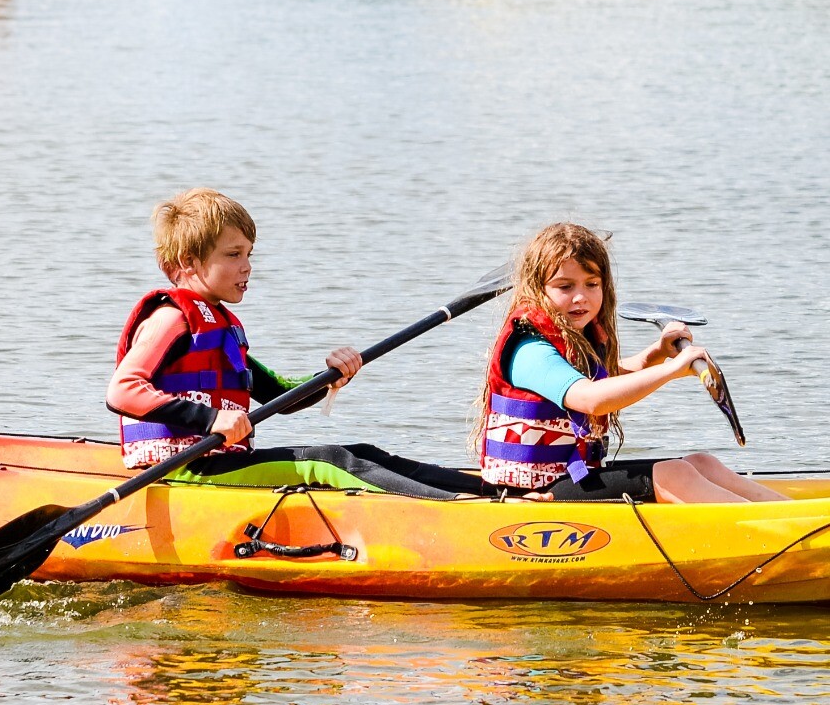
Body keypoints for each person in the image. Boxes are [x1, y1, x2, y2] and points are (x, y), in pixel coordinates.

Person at [107, 188, 484, 500]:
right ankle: (460, 510)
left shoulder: (218, 326)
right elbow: (122, 392)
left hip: (219, 461)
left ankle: (492, 490)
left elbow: (280, 395)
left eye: (249, 254)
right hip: (183, 468)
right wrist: (211, 419)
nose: (247, 266)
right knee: (327, 460)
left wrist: (330, 378)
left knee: (361, 453)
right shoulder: (171, 317)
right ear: (189, 262)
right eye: (233, 255)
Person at [475, 222, 786, 503]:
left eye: (591, 284)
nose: (581, 297)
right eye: (565, 287)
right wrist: (670, 370)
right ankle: (779, 535)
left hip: (572, 475)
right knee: (675, 474)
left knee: (703, 463)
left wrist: (657, 354)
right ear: (537, 289)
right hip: (532, 493)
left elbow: (610, 377)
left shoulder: (575, 336)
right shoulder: (530, 349)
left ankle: (789, 516)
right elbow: (591, 398)